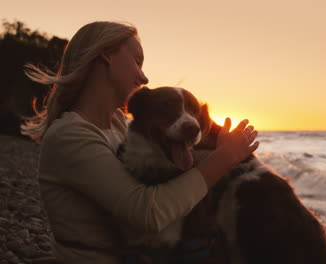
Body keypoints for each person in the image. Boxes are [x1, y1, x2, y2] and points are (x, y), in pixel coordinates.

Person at [21, 21, 259, 264]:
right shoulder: (70, 134)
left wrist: (219, 141)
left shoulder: (117, 124)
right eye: (137, 61)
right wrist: (224, 158)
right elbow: (148, 213)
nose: (144, 77)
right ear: (106, 55)